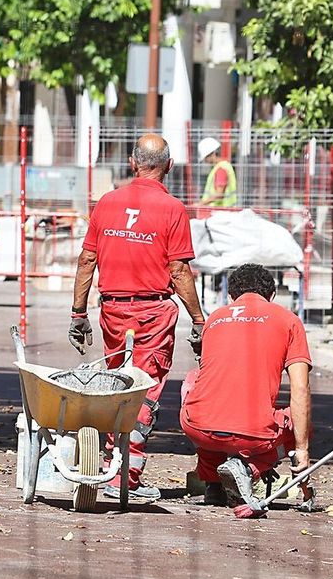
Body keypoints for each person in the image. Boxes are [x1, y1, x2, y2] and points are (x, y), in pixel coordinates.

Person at [70, 133, 205, 494]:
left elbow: (87, 259)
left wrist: (77, 313)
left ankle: (106, 460)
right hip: (153, 312)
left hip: (113, 310)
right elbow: (178, 271)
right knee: (146, 388)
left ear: (132, 163)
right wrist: (199, 319)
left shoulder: (107, 202)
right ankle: (124, 476)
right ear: (169, 166)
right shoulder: (173, 209)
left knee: (118, 383)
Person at [178, 263, 313, 517]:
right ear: (271, 296)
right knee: (298, 419)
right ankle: (247, 468)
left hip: (196, 425)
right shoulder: (288, 320)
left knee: (198, 385)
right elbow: (301, 388)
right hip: (252, 432)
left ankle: (213, 484)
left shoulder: (215, 318)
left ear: (232, 296)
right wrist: (303, 452)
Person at [196, 136, 237, 208]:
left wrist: (201, 204)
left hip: (219, 213)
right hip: (223, 211)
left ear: (212, 154)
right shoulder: (223, 166)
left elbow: (219, 194)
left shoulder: (221, 169)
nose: (205, 161)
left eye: (206, 157)